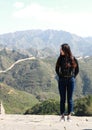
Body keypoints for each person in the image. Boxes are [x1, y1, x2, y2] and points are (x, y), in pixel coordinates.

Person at [55, 43, 79, 121]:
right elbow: (57, 69)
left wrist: (73, 77)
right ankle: (62, 115)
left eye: (61, 49)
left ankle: (69, 115)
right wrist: (60, 76)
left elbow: (77, 70)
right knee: (62, 98)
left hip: (70, 80)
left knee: (70, 99)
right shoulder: (60, 58)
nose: (60, 50)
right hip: (62, 80)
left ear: (65, 50)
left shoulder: (72, 58)